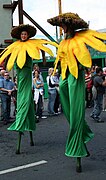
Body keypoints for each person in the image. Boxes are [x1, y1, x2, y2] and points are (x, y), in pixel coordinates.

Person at [47, 12, 106, 172]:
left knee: (76, 109)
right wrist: (56, 70)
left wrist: (82, 65)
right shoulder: (63, 42)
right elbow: (59, 58)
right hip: (65, 75)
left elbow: (85, 55)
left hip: (76, 74)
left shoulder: (80, 38)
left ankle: (78, 143)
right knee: (65, 100)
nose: (62, 29)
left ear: (70, 26)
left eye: (63, 26)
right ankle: (83, 130)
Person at [0, 24, 58, 154]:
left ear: (28, 35)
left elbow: (42, 48)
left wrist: (43, 58)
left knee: (26, 99)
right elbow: (7, 56)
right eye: (22, 34)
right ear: (19, 36)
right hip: (20, 76)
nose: (23, 36)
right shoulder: (15, 46)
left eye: (25, 34)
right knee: (22, 97)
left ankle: (20, 122)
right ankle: (23, 123)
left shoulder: (32, 44)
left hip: (26, 74)